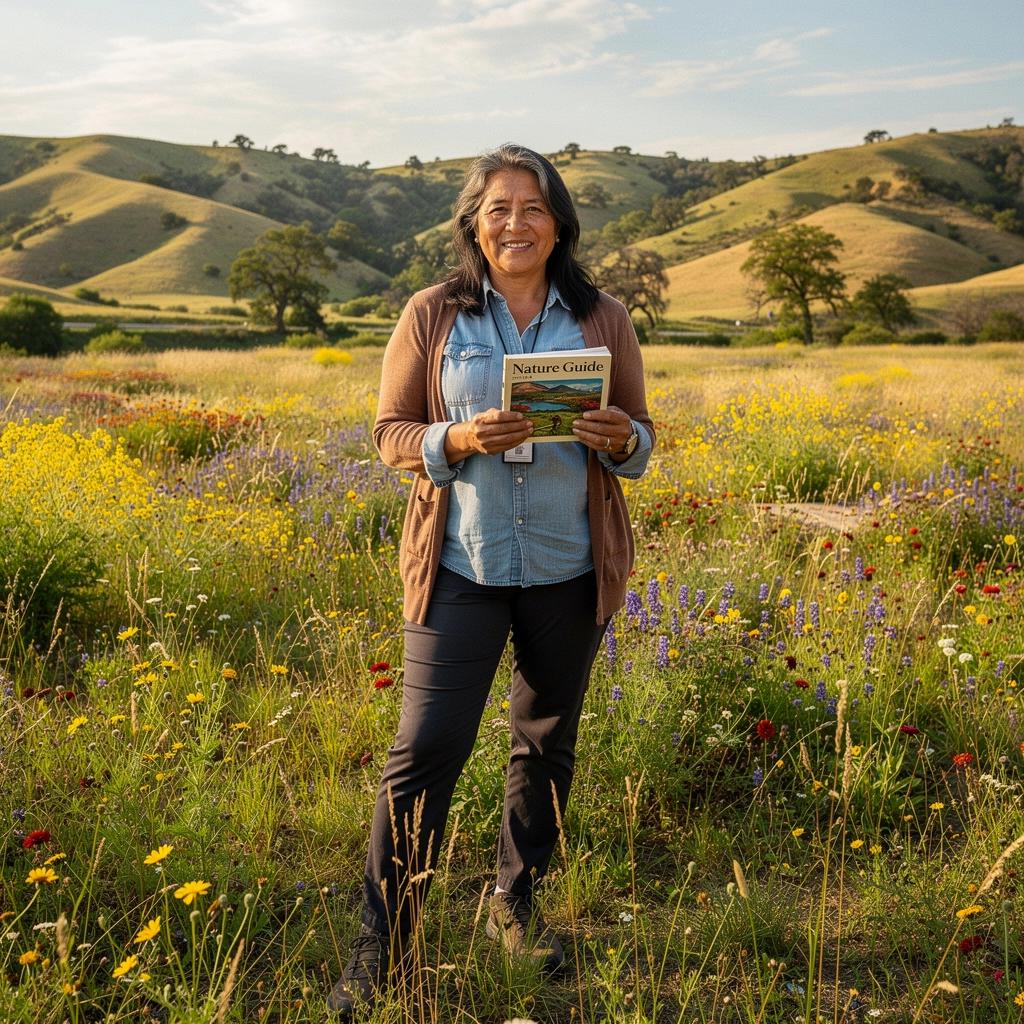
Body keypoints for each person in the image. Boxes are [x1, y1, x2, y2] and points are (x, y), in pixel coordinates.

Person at [327, 143, 654, 1017]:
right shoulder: (434, 313)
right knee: (424, 751)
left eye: (535, 207)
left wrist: (619, 439)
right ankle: (383, 943)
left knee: (544, 747)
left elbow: (643, 443)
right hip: (461, 567)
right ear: (475, 220)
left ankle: (514, 902)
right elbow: (391, 432)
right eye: (500, 207)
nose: (517, 222)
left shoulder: (602, 317)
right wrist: (459, 440)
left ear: (560, 223)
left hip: (567, 567)